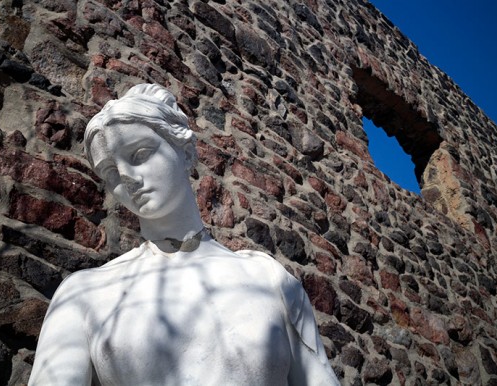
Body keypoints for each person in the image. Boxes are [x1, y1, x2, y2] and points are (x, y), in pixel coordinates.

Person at [29, 84, 339, 385]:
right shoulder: (84, 293)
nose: (127, 178)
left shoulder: (268, 279)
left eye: (139, 153)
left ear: (187, 151)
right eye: (110, 172)